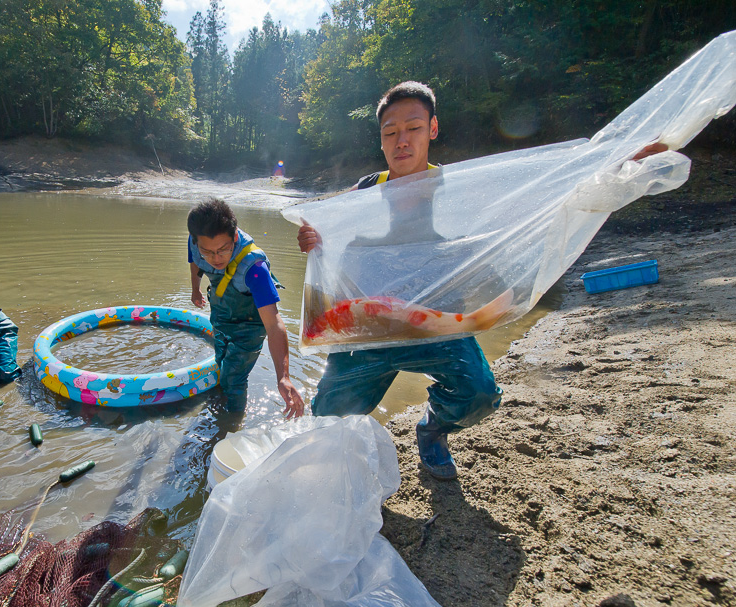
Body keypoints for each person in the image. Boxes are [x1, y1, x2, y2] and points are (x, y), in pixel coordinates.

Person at [298, 81, 670, 480]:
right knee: (325, 416)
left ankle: (433, 430)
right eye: (390, 133)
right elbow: (327, 224)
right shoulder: (366, 191)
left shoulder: (460, 190)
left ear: (433, 129)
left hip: (437, 323)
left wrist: (616, 160)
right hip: (371, 330)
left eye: (413, 128)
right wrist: (313, 236)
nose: (401, 141)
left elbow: (547, 185)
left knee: (478, 395)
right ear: (381, 139)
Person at [188, 198, 303, 418]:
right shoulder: (195, 243)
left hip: (250, 327)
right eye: (208, 252)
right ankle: (221, 405)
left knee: (234, 378)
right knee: (221, 361)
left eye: (223, 250)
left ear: (235, 237)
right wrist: (196, 290)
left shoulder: (255, 269)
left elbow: (274, 323)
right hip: (221, 315)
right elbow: (195, 261)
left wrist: (283, 377)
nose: (215, 258)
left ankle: (231, 424)